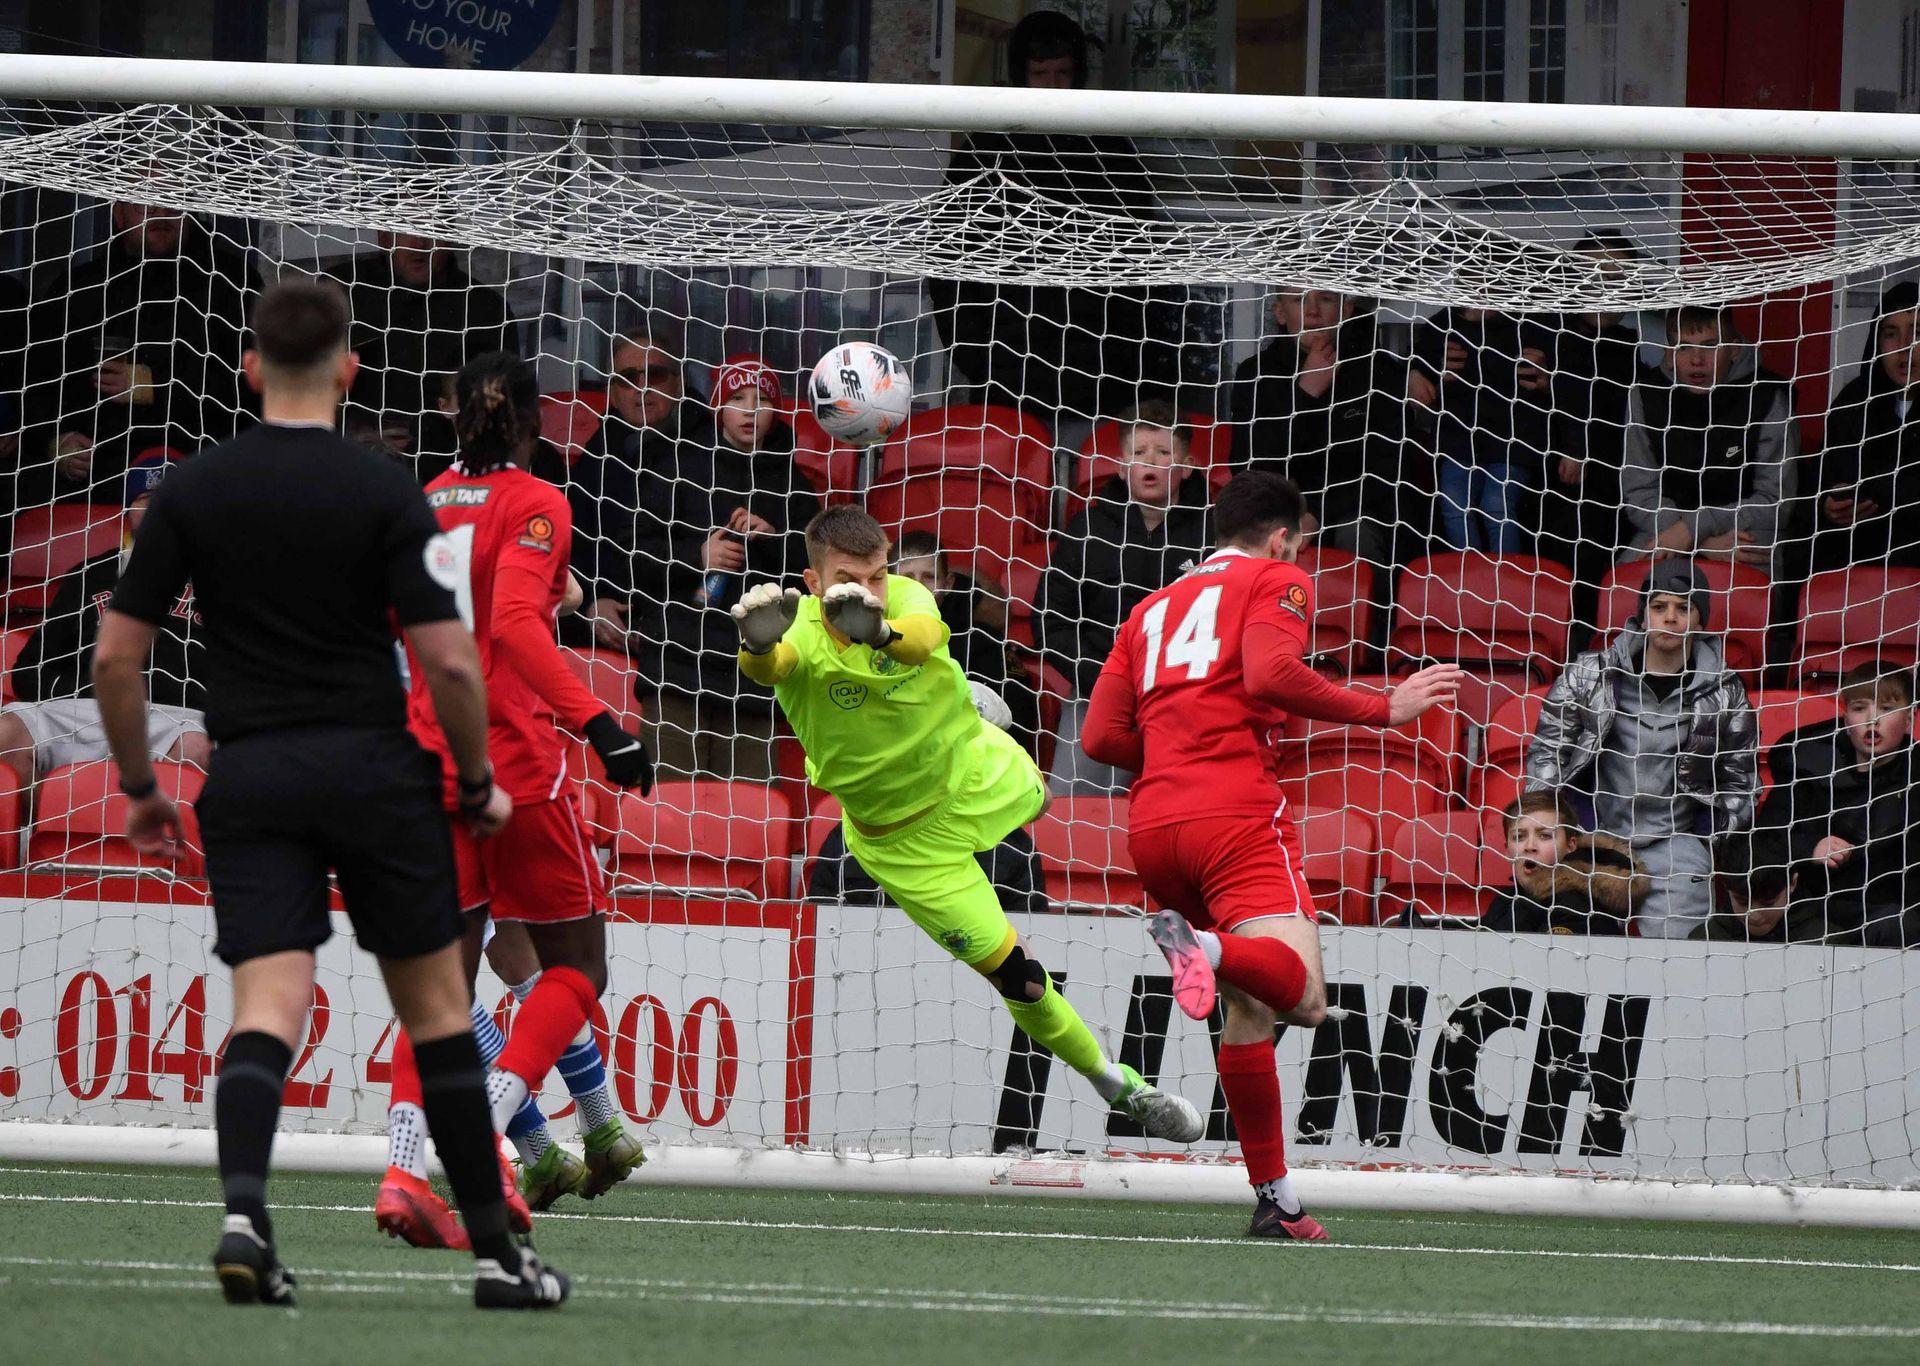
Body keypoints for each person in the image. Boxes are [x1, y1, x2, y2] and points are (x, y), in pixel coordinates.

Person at [91, 280, 567, 1308]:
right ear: (350, 368)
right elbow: (448, 664)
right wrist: (479, 782)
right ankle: (498, 1256)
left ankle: (244, 1218)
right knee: (439, 1010)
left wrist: (139, 787)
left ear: (250, 368)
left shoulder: (191, 491)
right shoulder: (388, 490)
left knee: (268, 1003)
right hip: (373, 774)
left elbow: (118, 658)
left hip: (251, 776)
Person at [730, 505, 1204, 1146]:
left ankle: (973, 712)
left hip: (971, 774)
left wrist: (879, 632)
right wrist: (756, 643)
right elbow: (771, 668)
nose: (866, 591)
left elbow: (921, 635)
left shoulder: (906, 598)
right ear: (813, 583)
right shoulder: (801, 634)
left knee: (1039, 798)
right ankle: (1118, 1086)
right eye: (848, 578)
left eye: (876, 576)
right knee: (1018, 977)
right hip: (902, 842)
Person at [1080, 471, 1461, 1240]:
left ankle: (1275, 1200)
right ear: (1284, 536)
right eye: (1305, 543)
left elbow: (1096, 739)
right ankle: (1209, 947)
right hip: (1234, 814)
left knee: (1248, 1009)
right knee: (1306, 1000)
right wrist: (1384, 708)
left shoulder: (1150, 607)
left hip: (1154, 828)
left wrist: (1173, 746)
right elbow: (1271, 673)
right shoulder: (1278, 578)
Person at [377, 351, 655, 1246]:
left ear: (454, 418)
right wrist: (601, 720)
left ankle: (401, 1171)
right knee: (578, 968)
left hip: (423, 763)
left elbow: (402, 623)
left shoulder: (420, 501)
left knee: (440, 994)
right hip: (513, 768)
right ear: (538, 422)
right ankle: (489, 1133)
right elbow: (511, 627)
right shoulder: (540, 502)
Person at [929, 9, 1173, 425]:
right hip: (1004, 377)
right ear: (1020, 74)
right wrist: (978, 359)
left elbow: (1142, 261)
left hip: (1100, 378)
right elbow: (948, 264)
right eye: (1041, 73)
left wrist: (1127, 361)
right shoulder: (984, 153)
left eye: (1063, 73)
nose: (1053, 86)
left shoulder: (1110, 152)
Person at [1525, 560, 1757, 939]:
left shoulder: (1726, 691)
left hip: (1677, 844)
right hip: (1593, 837)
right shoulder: (1590, 673)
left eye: (1684, 608)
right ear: (1643, 615)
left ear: (1700, 620)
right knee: (1577, 956)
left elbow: (1739, 777)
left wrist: (1711, 839)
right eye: (1659, 606)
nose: (1670, 618)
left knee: (1680, 964)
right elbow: (1548, 749)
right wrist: (1553, 829)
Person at [645, 353, 819, 780]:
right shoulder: (678, 468)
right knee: (667, 810)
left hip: (756, 671)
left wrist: (774, 539)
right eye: (737, 398)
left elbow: (818, 573)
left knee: (748, 813)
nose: (750, 410)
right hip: (679, 664)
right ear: (719, 405)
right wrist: (698, 557)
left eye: (762, 400)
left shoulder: (795, 484)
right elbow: (636, 554)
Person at [19, 201, 253, 511]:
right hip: (93, 493)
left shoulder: (231, 283)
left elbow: (252, 388)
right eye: (145, 204)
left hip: (204, 483)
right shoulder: (81, 288)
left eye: (172, 202)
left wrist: (154, 384)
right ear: (118, 214)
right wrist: (56, 442)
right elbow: (35, 383)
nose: (160, 213)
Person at [1036, 398, 1212, 794]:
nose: (1150, 461)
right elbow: (1050, 618)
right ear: (1121, 465)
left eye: (1164, 452)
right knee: (1077, 817)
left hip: (1189, 701)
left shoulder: (1215, 533)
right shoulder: (1087, 529)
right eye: (1139, 452)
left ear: (1185, 466)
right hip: (1097, 694)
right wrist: (1100, 680)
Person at [0, 457, 207, 790]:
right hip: (84, 712)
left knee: (199, 749)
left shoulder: (219, 579)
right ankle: (24, 841)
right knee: (7, 731)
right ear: (127, 510)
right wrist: (87, 691)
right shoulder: (90, 574)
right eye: (145, 500)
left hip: (175, 721)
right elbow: (28, 670)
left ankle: (171, 841)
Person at [1232, 289, 1408, 573]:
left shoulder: (1378, 372)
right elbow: (1249, 465)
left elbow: (1386, 468)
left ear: (1346, 310)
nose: (1312, 311)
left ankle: (1366, 617)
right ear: (1280, 312)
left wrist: (1318, 512)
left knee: (1357, 532)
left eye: (1325, 299)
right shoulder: (1255, 374)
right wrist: (1306, 394)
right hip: (1277, 509)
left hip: (1355, 510)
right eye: (1299, 300)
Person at [562, 329, 714, 654]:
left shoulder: (713, 447)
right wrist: (590, 604)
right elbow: (573, 544)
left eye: (655, 374)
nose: (642, 387)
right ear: (613, 394)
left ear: (680, 383)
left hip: (688, 634)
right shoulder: (599, 452)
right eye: (628, 378)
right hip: (601, 630)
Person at [1620, 305, 1797, 572]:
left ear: (1734, 350)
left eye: (1710, 346)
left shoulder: (1768, 395)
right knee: (1623, 584)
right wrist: (1699, 542)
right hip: (1664, 527)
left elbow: (1776, 501)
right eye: (1684, 347)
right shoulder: (1644, 395)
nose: (1696, 360)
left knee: (1752, 581)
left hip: (1743, 531)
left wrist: (1694, 529)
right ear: (1669, 354)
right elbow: (1639, 492)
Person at [1755, 660, 1919, 947]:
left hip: (1892, 911)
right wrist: (1811, 848)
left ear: (1909, 719)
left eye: (1887, 709)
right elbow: (1766, 837)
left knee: (1898, 925)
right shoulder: (1806, 764)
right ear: (1845, 717)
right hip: (1814, 905)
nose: (1872, 720)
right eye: (1859, 708)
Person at [328, 232, 516, 450]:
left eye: (431, 229)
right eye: (405, 231)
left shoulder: (486, 311)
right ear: (383, 236)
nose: (419, 244)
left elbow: (507, 406)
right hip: (355, 456)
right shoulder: (343, 292)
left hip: (450, 464)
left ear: (449, 236)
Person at [895, 530, 1040, 754]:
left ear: (949, 582)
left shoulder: (981, 641)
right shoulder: (872, 639)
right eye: (907, 578)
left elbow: (1018, 715)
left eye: (929, 577)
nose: (918, 587)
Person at [1812, 282, 1920, 571]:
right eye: (1890, 334)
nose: (1904, 347)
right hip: (1858, 566)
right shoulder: (1853, 401)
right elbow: (1820, 477)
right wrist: (1829, 507)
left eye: (1917, 333)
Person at [1412, 306, 1533, 553]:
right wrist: (1419, 374)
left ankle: (1505, 578)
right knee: (1455, 502)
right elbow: (1419, 370)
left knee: (1496, 503)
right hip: (1458, 441)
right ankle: (1468, 578)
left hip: (1510, 442)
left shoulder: (1525, 324)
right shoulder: (1441, 325)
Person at [1479, 791, 1645, 936]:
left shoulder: (1574, 906)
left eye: (1545, 836)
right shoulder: (1506, 900)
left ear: (1570, 845)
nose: (1530, 847)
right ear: (1507, 850)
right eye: (1519, 837)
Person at [1689, 827, 1820, 943]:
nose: (1754, 916)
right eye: (1742, 902)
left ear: (1792, 883)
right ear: (1726, 886)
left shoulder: (1822, 940)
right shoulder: (1704, 941)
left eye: (1768, 903)